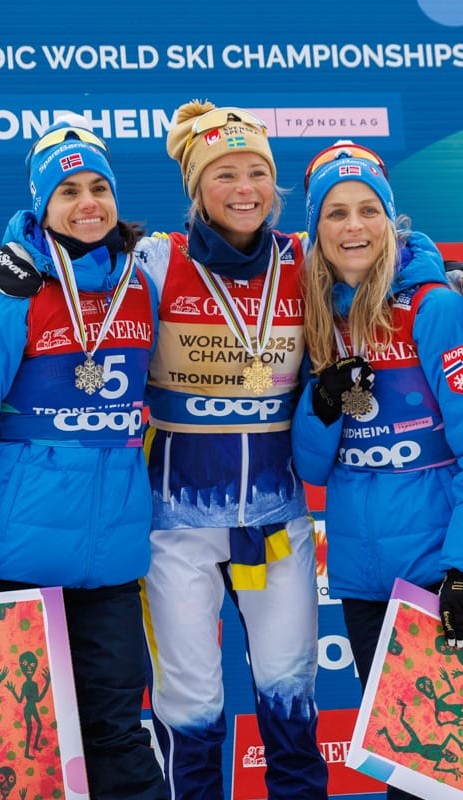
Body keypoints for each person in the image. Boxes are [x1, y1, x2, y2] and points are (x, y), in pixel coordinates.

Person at [0, 118, 167, 800]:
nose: (88, 203)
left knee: (120, 740)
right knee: (14, 753)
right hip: (16, 574)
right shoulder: (7, 295)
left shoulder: (141, 285)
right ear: (42, 205)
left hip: (110, 572)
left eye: (99, 188)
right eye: (68, 191)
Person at [290, 140, 463, 800]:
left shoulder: (433, 307)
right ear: (316, 228)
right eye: (336, 212)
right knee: (410, 774)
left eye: (368, 210)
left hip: (442, 575)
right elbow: (311, 468)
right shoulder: (315, 314)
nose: (353, 226)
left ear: (391, 220)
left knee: (457, 774)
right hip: (367, 582)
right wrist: (322, 402)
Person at [138, 100, 328, 800]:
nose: (245, 188)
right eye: (224, 173)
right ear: (196, 188)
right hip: (177, 526)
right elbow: (73, 270)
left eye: (257, 172)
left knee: (290, 700)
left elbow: (380, 248)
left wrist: (442, 268)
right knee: (190, 710)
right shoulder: (157, 260)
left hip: (275, 522)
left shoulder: (304, 259)